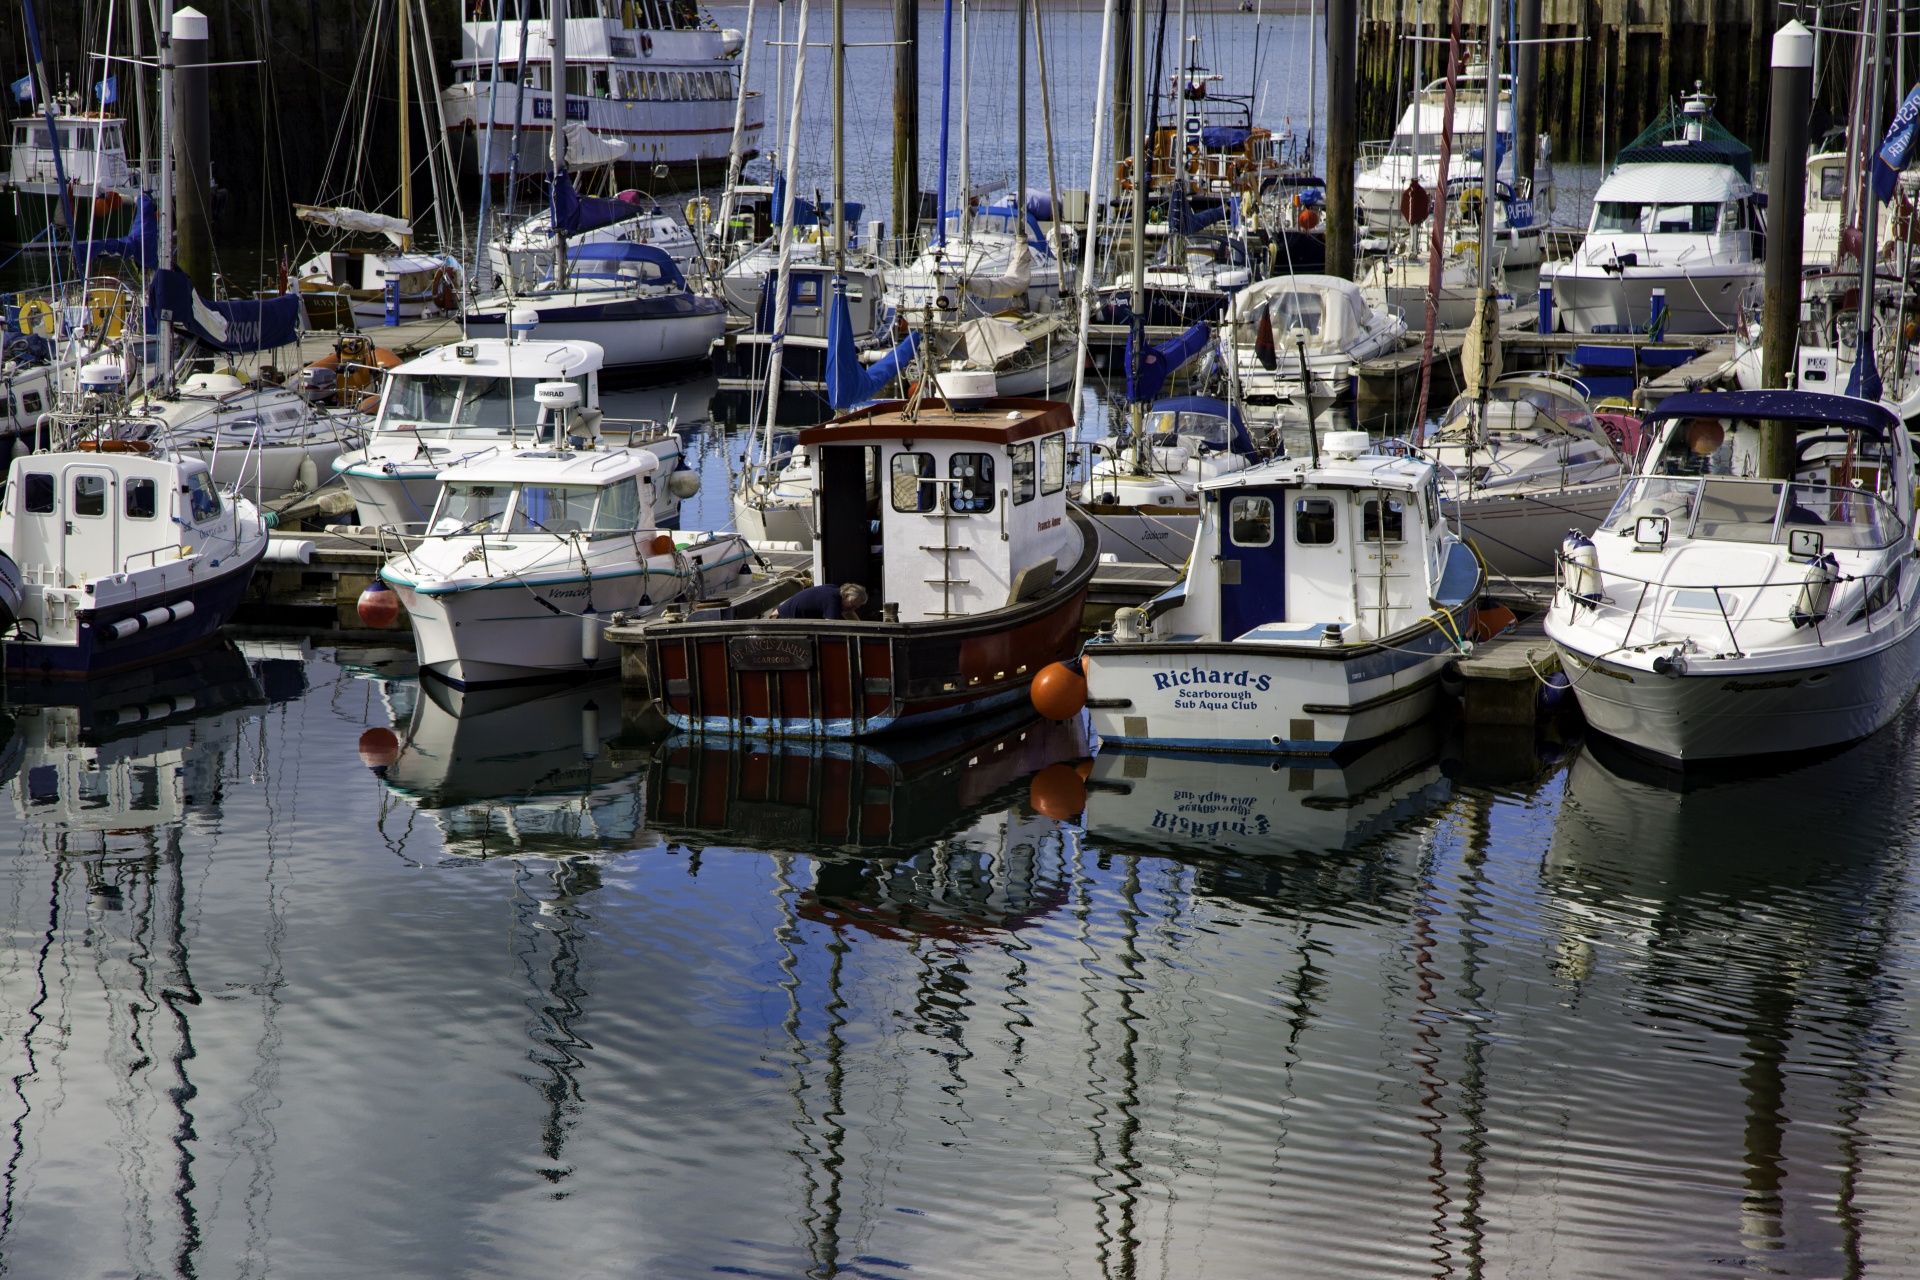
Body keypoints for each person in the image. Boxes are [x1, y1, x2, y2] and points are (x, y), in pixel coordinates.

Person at [777, 582, 868, 620]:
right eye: (852, 605)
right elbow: (833, 628)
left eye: (855, 608)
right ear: (845, 595)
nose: (852, 609)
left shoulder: (834, 590)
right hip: (781, 621)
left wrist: (861, 630)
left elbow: (848, 612)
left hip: (783, 617)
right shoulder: (832, 601)